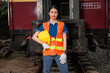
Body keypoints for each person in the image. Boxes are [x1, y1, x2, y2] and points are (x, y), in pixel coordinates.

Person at [32, 5, 69, 73]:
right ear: (49, 13)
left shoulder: (62, 25)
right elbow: (34, 37)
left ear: (57, 14)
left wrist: (64, 52)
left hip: (60, 54)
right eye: (52, 12)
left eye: (55, 12)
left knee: (65, 72)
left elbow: (64, 39)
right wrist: (43, 44)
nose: (53, 14)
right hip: (48, 53)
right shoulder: (44, 25)